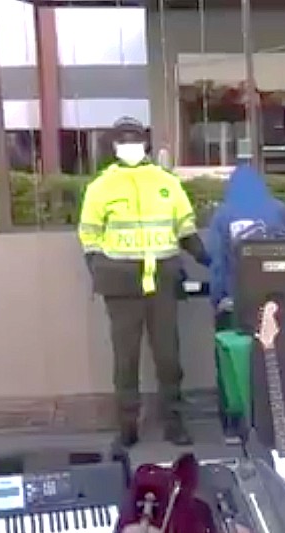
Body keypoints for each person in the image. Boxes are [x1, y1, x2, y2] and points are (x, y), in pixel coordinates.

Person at [77, 116, 210, 447]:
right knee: (126, 359)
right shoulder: (101, 186)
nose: (130, 145)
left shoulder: (166, 182)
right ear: (114, 146)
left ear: (145, 143)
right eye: (123, 140)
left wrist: (205, 257)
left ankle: (174, 422)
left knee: (168, 357)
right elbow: (89, 234)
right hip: (120, 284)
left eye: (134, 139)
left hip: (162, 281)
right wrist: (98, 268)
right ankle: (127, 425)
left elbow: (184, 226)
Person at [207, 164, 285, 331]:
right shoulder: (279, 210)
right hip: (274, 296)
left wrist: (217, 298)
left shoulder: (223, 214)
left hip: (236, 297)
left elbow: (217, 260)